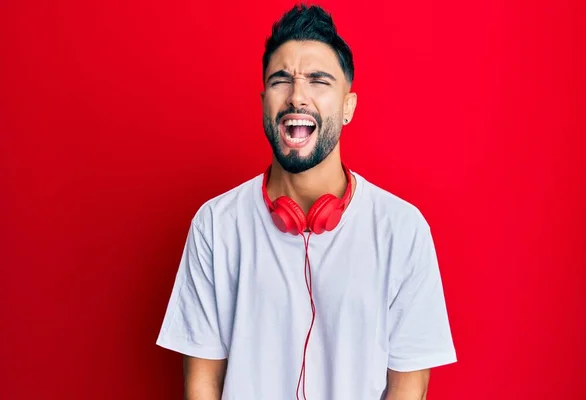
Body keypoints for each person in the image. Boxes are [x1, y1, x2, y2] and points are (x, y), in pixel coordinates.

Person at [156, 4, 457, 399]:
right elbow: (202, 381)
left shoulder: (402, 230)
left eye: (318, 80)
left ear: (348, 106)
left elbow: (409, 385)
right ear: (264, 102)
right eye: (281, 80)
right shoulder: (215, 224)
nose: (297, 96)